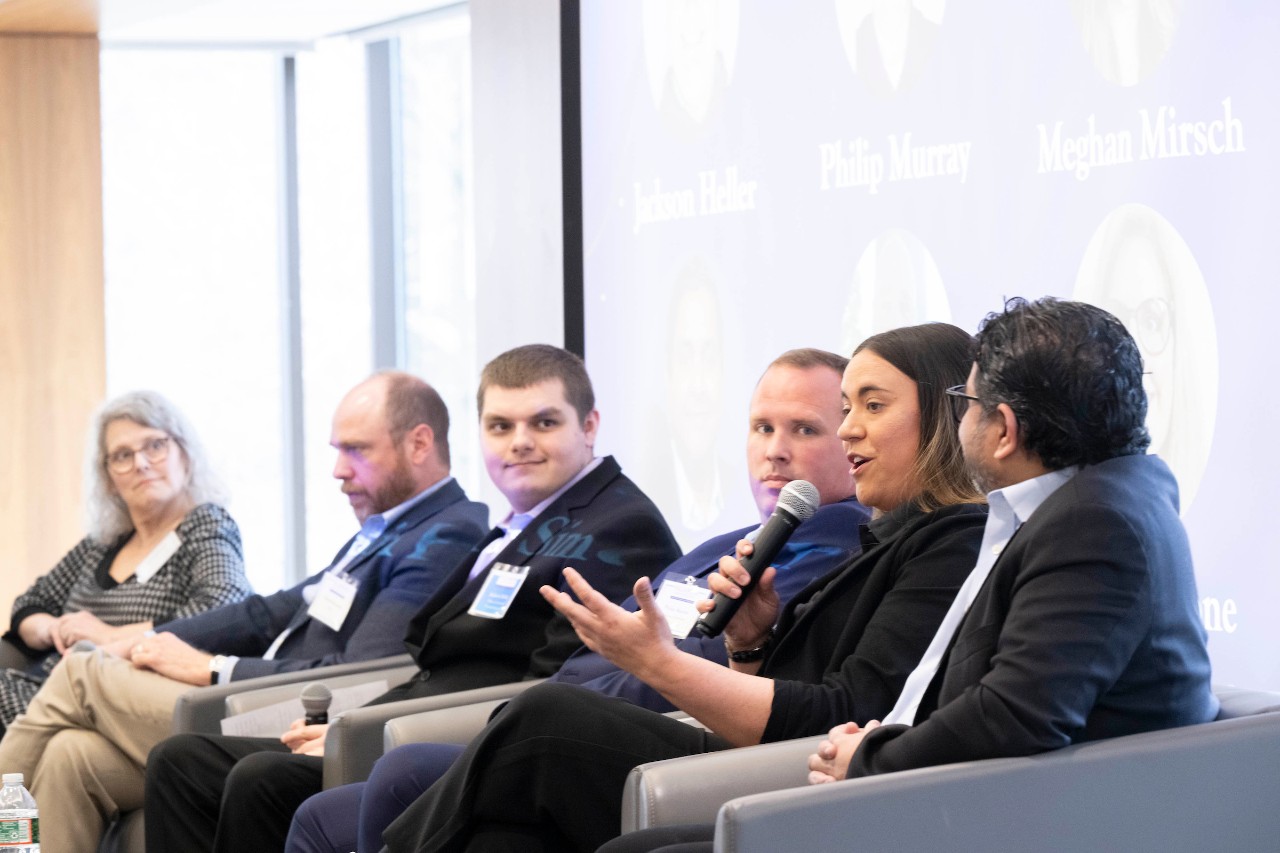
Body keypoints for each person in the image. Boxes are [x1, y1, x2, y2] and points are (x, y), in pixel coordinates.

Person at [616, 298, 1220, 853]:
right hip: (952, 796)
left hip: (994, 816)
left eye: (966, 405)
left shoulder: (1093, 524)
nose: (849, 427)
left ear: (1004, 430)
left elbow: (1013, 715)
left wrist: (871, 760)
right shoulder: (1089, 506)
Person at [378, 323, 990, 853]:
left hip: (801, 779)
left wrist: (658, 663)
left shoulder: (951, 542)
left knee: (544, 719)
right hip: (755, 753)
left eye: (872, 408)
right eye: (847, 410)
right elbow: (798, 687)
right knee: (501, 840)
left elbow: (848, 710)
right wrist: (749, 647)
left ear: (944, 417)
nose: (849, 431)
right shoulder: (886, 538)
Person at [283, 347, 872, 853]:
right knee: (320, 812)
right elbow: (610, 648)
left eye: (805, 429)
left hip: (653, 739)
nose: (774, 451)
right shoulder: (723, 544)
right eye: (762, 428)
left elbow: (688, 661)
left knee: (400, 774)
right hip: (563, 719)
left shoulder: (836, 541)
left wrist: (544, 712)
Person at [143, 344, 683, 853]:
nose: (519, 441)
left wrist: (367, 732)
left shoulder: (618, 526)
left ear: (588, 426)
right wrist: (357, 724)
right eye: (500, 426)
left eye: (543, 422)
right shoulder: (520, 525)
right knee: (183, 760)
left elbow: (555, 691)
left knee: (262, 780)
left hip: (466, 741)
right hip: (409, 711)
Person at [0, 370, 492, 853]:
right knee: (72, 756)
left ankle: (4, 822)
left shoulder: (445, 534)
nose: (338, 470)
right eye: (337, 451)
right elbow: (265, 613)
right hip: (266, 693)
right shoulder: (384, 531)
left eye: (355, 450)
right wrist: (146, 640)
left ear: (420, 444)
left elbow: (361, 672)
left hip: (295, 710)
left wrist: (216, 668)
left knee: (83, 668)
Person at [0, 390, 250, 733]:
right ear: (108, 478)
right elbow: (29, 605)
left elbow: (223, 608)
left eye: (155, 446)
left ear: (185, 454)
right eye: (122, 455)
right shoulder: (103, 544)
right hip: (52, 688)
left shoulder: (205, 524)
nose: (141, 463)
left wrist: (109, 635)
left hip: (123, 697)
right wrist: (54, 628)